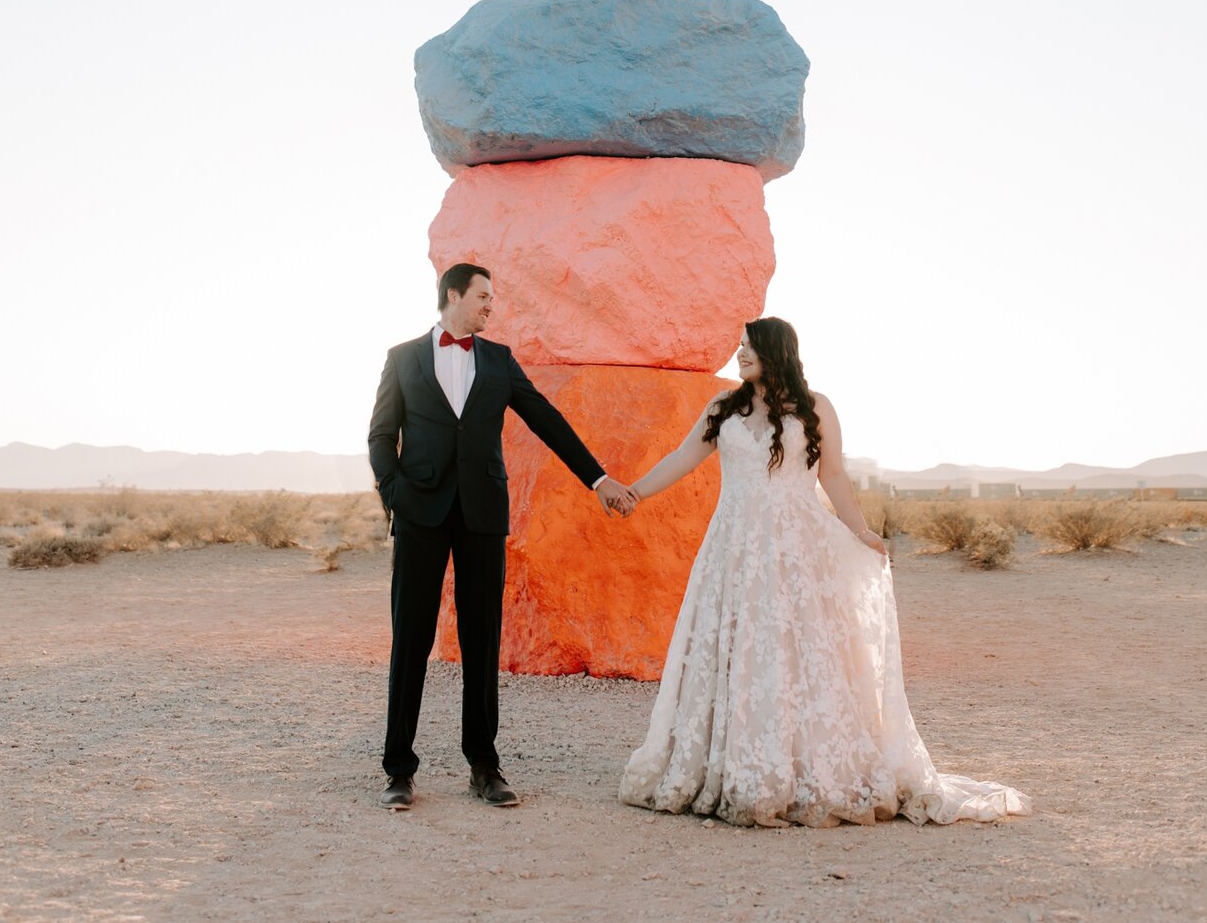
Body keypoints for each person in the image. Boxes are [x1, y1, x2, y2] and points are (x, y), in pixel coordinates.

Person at [616, 316, 1030, 827]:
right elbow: (682, 457)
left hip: (797, 549)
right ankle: (734, 762)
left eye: (749, 347)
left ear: (776, 351)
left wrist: (860, 532)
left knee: (796, 650)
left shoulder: (816, 408)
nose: (739, 354)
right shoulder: (723, 408)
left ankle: (800, 766)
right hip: (735, 549)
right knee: (740, 646)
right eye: (739, 346)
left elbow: (832, 474)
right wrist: (634, 492)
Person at [368, 262, 637, 810]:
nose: (493, 306)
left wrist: (599, 478)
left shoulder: (499, 360)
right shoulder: (402, 358)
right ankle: (399, 769)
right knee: (411, 640)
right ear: (453, 295)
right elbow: (381, 434)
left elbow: (546, 419)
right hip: (420, 514)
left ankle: (484, 767)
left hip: (483, 515)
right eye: (485, 296)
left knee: (482, 641)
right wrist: (395, 494)